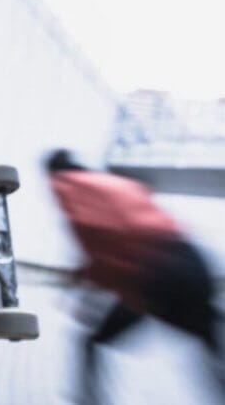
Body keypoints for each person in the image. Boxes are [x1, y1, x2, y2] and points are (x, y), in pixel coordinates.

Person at [46, 149, 225, 403]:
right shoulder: (115, 184)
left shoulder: (65, 185)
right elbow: (121, 234)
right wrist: (84, 275)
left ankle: (89, 400)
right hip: (191, 259)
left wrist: (85, 290)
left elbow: (99, 237)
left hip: (156, 275)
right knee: (210, 343)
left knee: (92, 342)